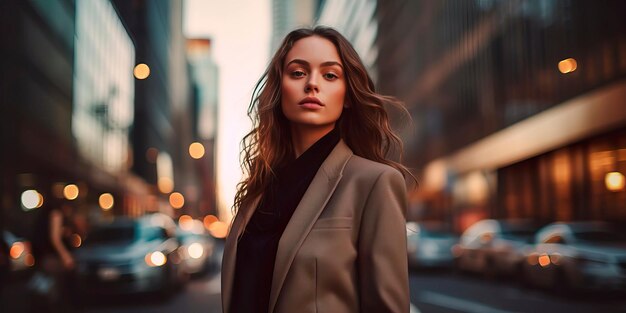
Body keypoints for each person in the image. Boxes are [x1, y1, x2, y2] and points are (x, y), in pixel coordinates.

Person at [221, 26, 414, 313]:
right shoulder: (259, 191)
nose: (312, 84)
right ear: (279, 88)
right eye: (298, 73)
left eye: (330, 75)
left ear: (348, 95)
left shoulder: (374, 182)